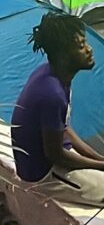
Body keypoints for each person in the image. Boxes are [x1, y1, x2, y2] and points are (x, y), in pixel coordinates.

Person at [12, 12, 104, 204]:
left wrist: (97, 159)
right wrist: (100, 165)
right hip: (43, 172)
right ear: (63, 55)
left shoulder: (55, 75)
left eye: (85, 43)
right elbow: (55, 155)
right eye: (80, 46)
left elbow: (63, 128)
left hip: (59, 154)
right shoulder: (51, 94)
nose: (89, 50)